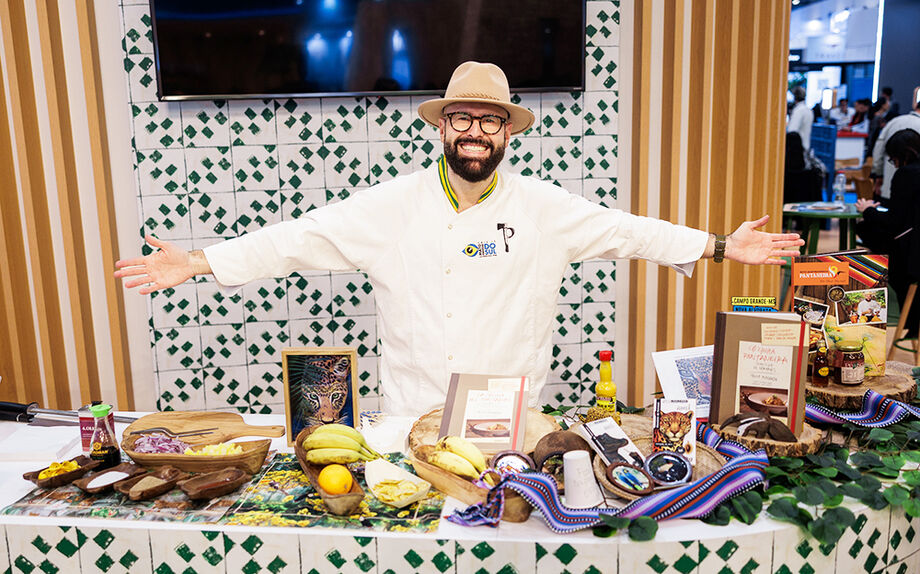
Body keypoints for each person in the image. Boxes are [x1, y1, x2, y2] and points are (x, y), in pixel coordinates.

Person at [114, 61, 804, 416]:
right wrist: (198, 261)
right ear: (442, 128)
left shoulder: (545, 207)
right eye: (463, 119)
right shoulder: (390, 206)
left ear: (508, 133)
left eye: (489, 121)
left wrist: (719, 246)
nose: (475, 131)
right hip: (411, 413)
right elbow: (297, 238)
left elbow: (629, 231)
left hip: (513, 415)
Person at [857, 129, 920, 336]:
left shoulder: (905, 174)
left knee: (866, 230)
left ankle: (910, 320)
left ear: (903, 155)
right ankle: (911, 322)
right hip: (914, 246)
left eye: (893, 160)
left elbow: (895, 221)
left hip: (911, 256)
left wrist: (868, 211)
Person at [870, 100, 920, 199]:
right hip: (913, 194)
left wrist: (878, 175)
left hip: (887, 186)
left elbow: (878, 150)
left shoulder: (894, 121)